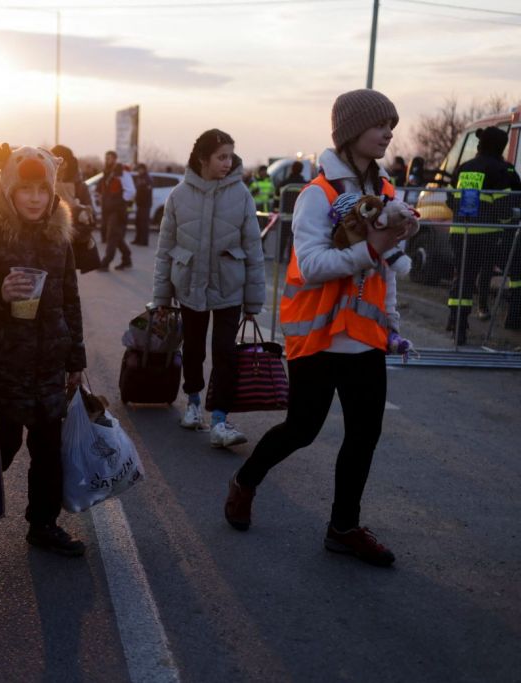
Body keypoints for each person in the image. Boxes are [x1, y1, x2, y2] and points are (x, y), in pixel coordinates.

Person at [224, 89, 418, 567]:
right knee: (302, 428)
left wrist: (390, 324)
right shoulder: (319, 194)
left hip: (364, 339)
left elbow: (388, 268)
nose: (388, 133)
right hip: (317, 337)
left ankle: (343, 527)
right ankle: (246, 481)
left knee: (364, 435)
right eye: (380, 124)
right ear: (350, 132)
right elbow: (310, 265)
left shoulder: (387, 192)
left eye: (391, 124)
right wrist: (369, 248)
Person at [0, 144, 87, 556]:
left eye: (42, 189)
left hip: (48, 368)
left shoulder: (57, 239)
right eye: (25, 188)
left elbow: (70, 299)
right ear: (9, 189)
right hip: (2, 372)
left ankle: (43, 524)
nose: (34, 197)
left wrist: (75, 359)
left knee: (48, 453)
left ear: (52, 193)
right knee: (0, 450)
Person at [152, 129, 265, 448]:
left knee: (226, 353)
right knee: (194, 348)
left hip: (230, 285)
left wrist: (254, 301)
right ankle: (192, 404)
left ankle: (220, 419)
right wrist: (161, 296)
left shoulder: (241, 194)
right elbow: (165, 247)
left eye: (231, 155)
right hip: (189, 284)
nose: (228, 162)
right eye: (221, 156)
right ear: (203, 158)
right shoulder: (178, 195)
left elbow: (254, 248)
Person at [444, 127, 521, 342]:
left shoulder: (464, 168)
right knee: (510, 271)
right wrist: (508, 220)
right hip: (490, 236)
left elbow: (450, 200)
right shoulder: (501, 170)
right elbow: (506, 205)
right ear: (501, 146)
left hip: (460, 233)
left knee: (463, 277)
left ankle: (457, 324)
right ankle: (511, 316)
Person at [96, 150, 135, 270]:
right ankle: (127, 258)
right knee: (116, 236)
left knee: (112, 236)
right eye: (106, 157)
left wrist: (120, 201)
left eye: (110, 158)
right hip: (108, 209)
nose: (107, 160)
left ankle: (105, 262)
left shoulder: (122, 171)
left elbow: (131, 190)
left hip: (117, 210)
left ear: (115, 159)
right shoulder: (107, 172)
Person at [132, 162, 154, 246]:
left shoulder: (147, 178)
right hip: (140, 204)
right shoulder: (140, 177)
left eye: (139, 169)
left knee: (144, 224)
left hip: (145, 204)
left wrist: (141, 188)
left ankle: (144, 241)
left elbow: (147, 190)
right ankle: (137, 239)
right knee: (138, 223)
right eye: (138, 169)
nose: (138, 171)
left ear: (143, 169)